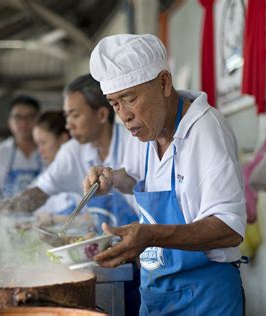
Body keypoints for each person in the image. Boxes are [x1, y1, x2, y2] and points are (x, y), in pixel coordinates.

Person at [84, 34, 246, 315]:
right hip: (157, 297)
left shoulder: (205, 130)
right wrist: (111, 178)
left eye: (130, 99)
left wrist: (150, 235)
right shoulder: (147, 131)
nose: (124, 115)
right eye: (115, 104)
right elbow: (138, 178)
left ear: (164, 83)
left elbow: (229, 229)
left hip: (206, 299)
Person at [0, 74, 140, 233]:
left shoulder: (134, 142)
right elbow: (39, 193)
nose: (68, 125)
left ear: (102, 115)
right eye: (67, 116)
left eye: (75, 115)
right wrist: (5, 207)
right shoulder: (73, 151)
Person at [0, 95, 42, 199]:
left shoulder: (50, 151)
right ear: (9, 121)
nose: (24, 123)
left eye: (30, 117)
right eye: (18, 117)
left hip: (49, 215)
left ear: (39, 120)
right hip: (7, 215)